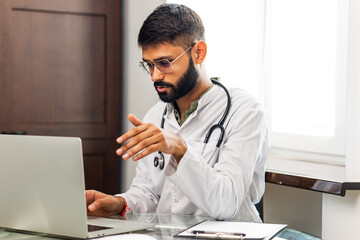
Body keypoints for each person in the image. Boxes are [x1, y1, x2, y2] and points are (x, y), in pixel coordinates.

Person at [86, 3, 270, 222]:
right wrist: (120, 204)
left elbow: (226, 203)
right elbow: (148, 194)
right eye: (149, 65)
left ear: (199, 53)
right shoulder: (156, 116)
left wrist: (180, 149)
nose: (154, 76)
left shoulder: (245, 110)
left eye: (164, 63)